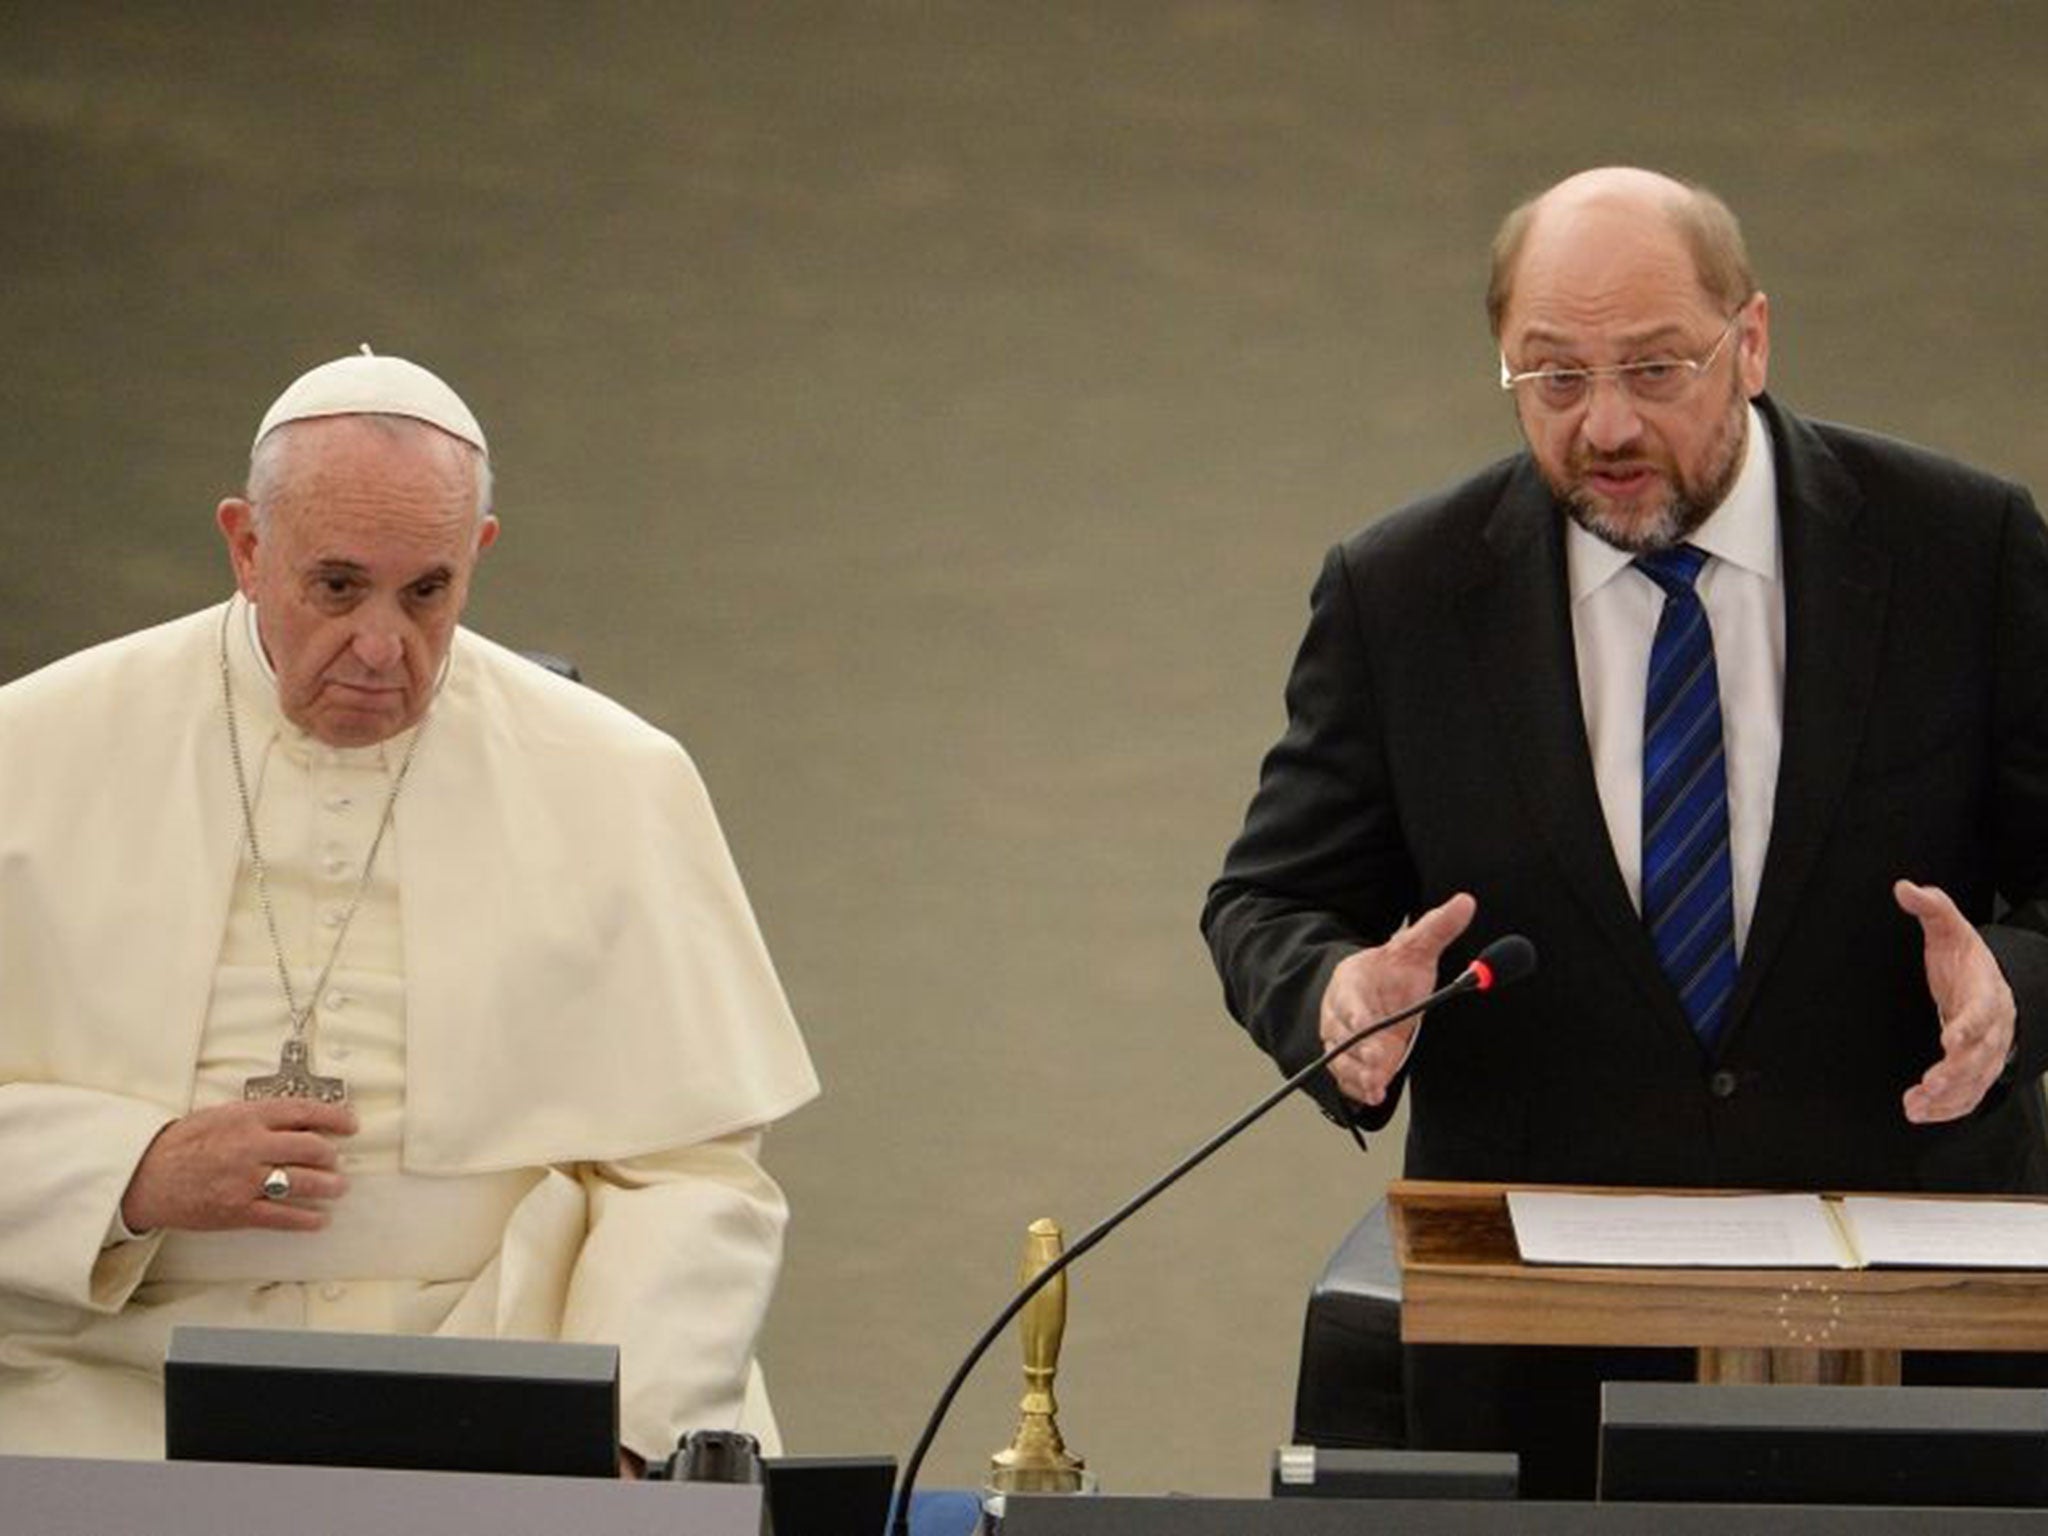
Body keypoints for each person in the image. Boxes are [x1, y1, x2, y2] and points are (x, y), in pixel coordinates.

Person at [1202, 167, 2048, 1495]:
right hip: (1533, 1357)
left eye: (1656, 370)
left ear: (1751, 342)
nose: (1604, 424)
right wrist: (1338, 997)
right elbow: (1267, 901)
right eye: (1552, 377)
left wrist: (2010, 988)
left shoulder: (1963, 549)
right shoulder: (1405, 592)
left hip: (1916, 1329)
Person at [0, 351, 819, 1474]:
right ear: (246, 545)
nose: (383, 648)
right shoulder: (32, 751)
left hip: (499, 1381)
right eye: (335, 587)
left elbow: (691, 1171)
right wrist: (124, 1175)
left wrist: (624, 1435)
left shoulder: (616, 776)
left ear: (476, 555)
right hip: (100, 1385)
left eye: (426, 592)